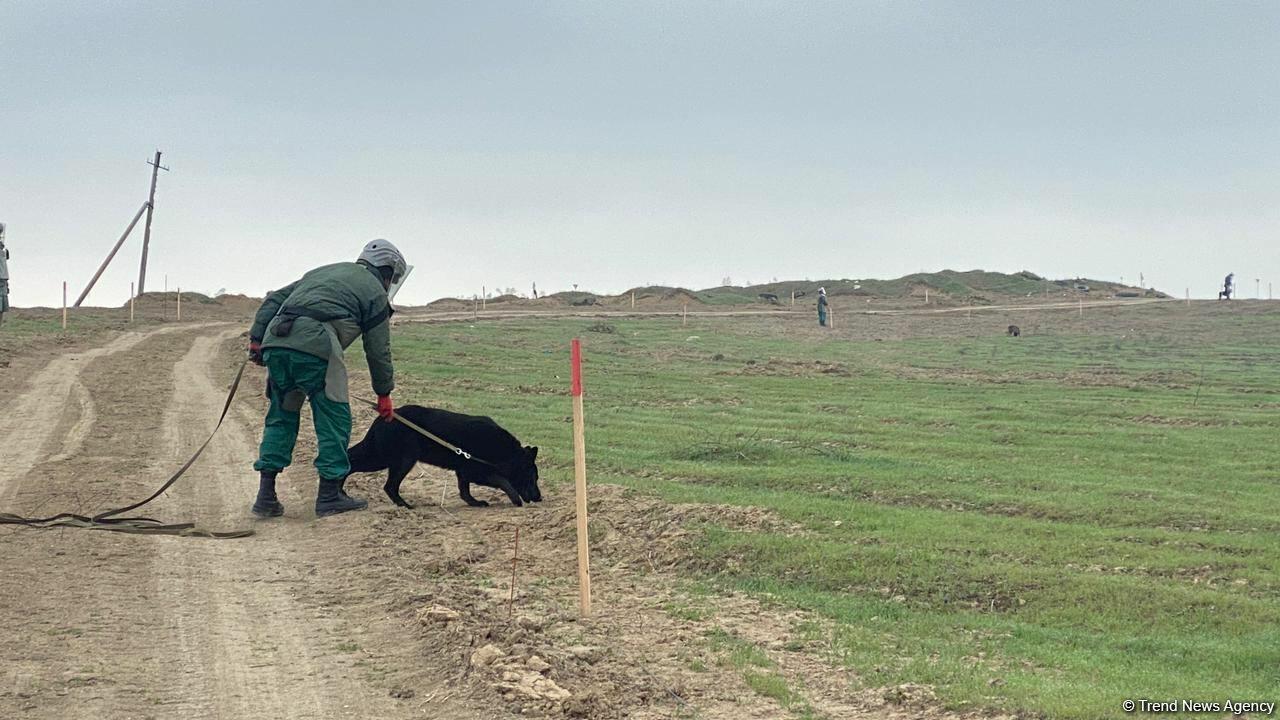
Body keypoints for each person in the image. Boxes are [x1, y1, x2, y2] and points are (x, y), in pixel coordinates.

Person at [247, 239, 408, 518]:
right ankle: (330, 496)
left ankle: (266, 496)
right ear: (388, 271)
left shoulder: (324, 271)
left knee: (280, 417)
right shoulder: (375, 293)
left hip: (278, 342)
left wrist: (257, 340)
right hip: (317, 346)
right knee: (334, 418)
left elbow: (274, 299)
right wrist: (384, 392)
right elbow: (378, 350)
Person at [0, 224, 9, 326]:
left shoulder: (3, 250)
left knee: (1, 307)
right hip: (3, 278)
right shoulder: (3, 251)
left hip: (2, 278)